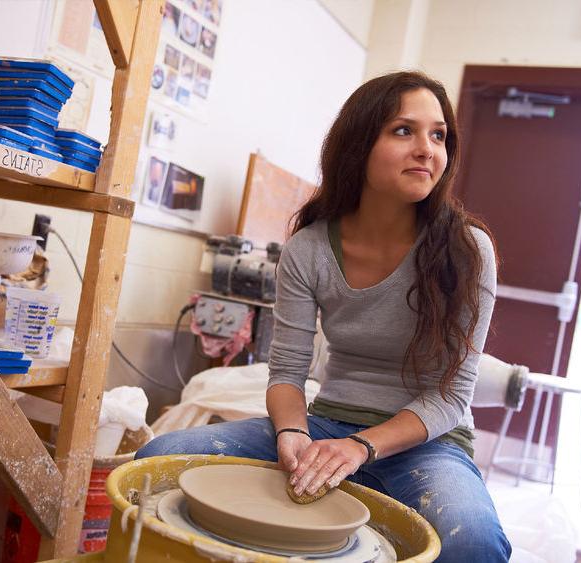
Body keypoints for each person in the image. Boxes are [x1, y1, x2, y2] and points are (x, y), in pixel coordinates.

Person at [136, 71, 512, 562]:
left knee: (475, 544)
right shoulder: (309, 248)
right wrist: (293, 432)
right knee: (157, 460)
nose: (427, 149)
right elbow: (288, 372)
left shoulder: (467, 249)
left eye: (438, 135)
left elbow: (451, 395)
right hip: (327, 425)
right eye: (404, 130)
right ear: (358, 145)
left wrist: (361, 447)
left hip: (429, 441)